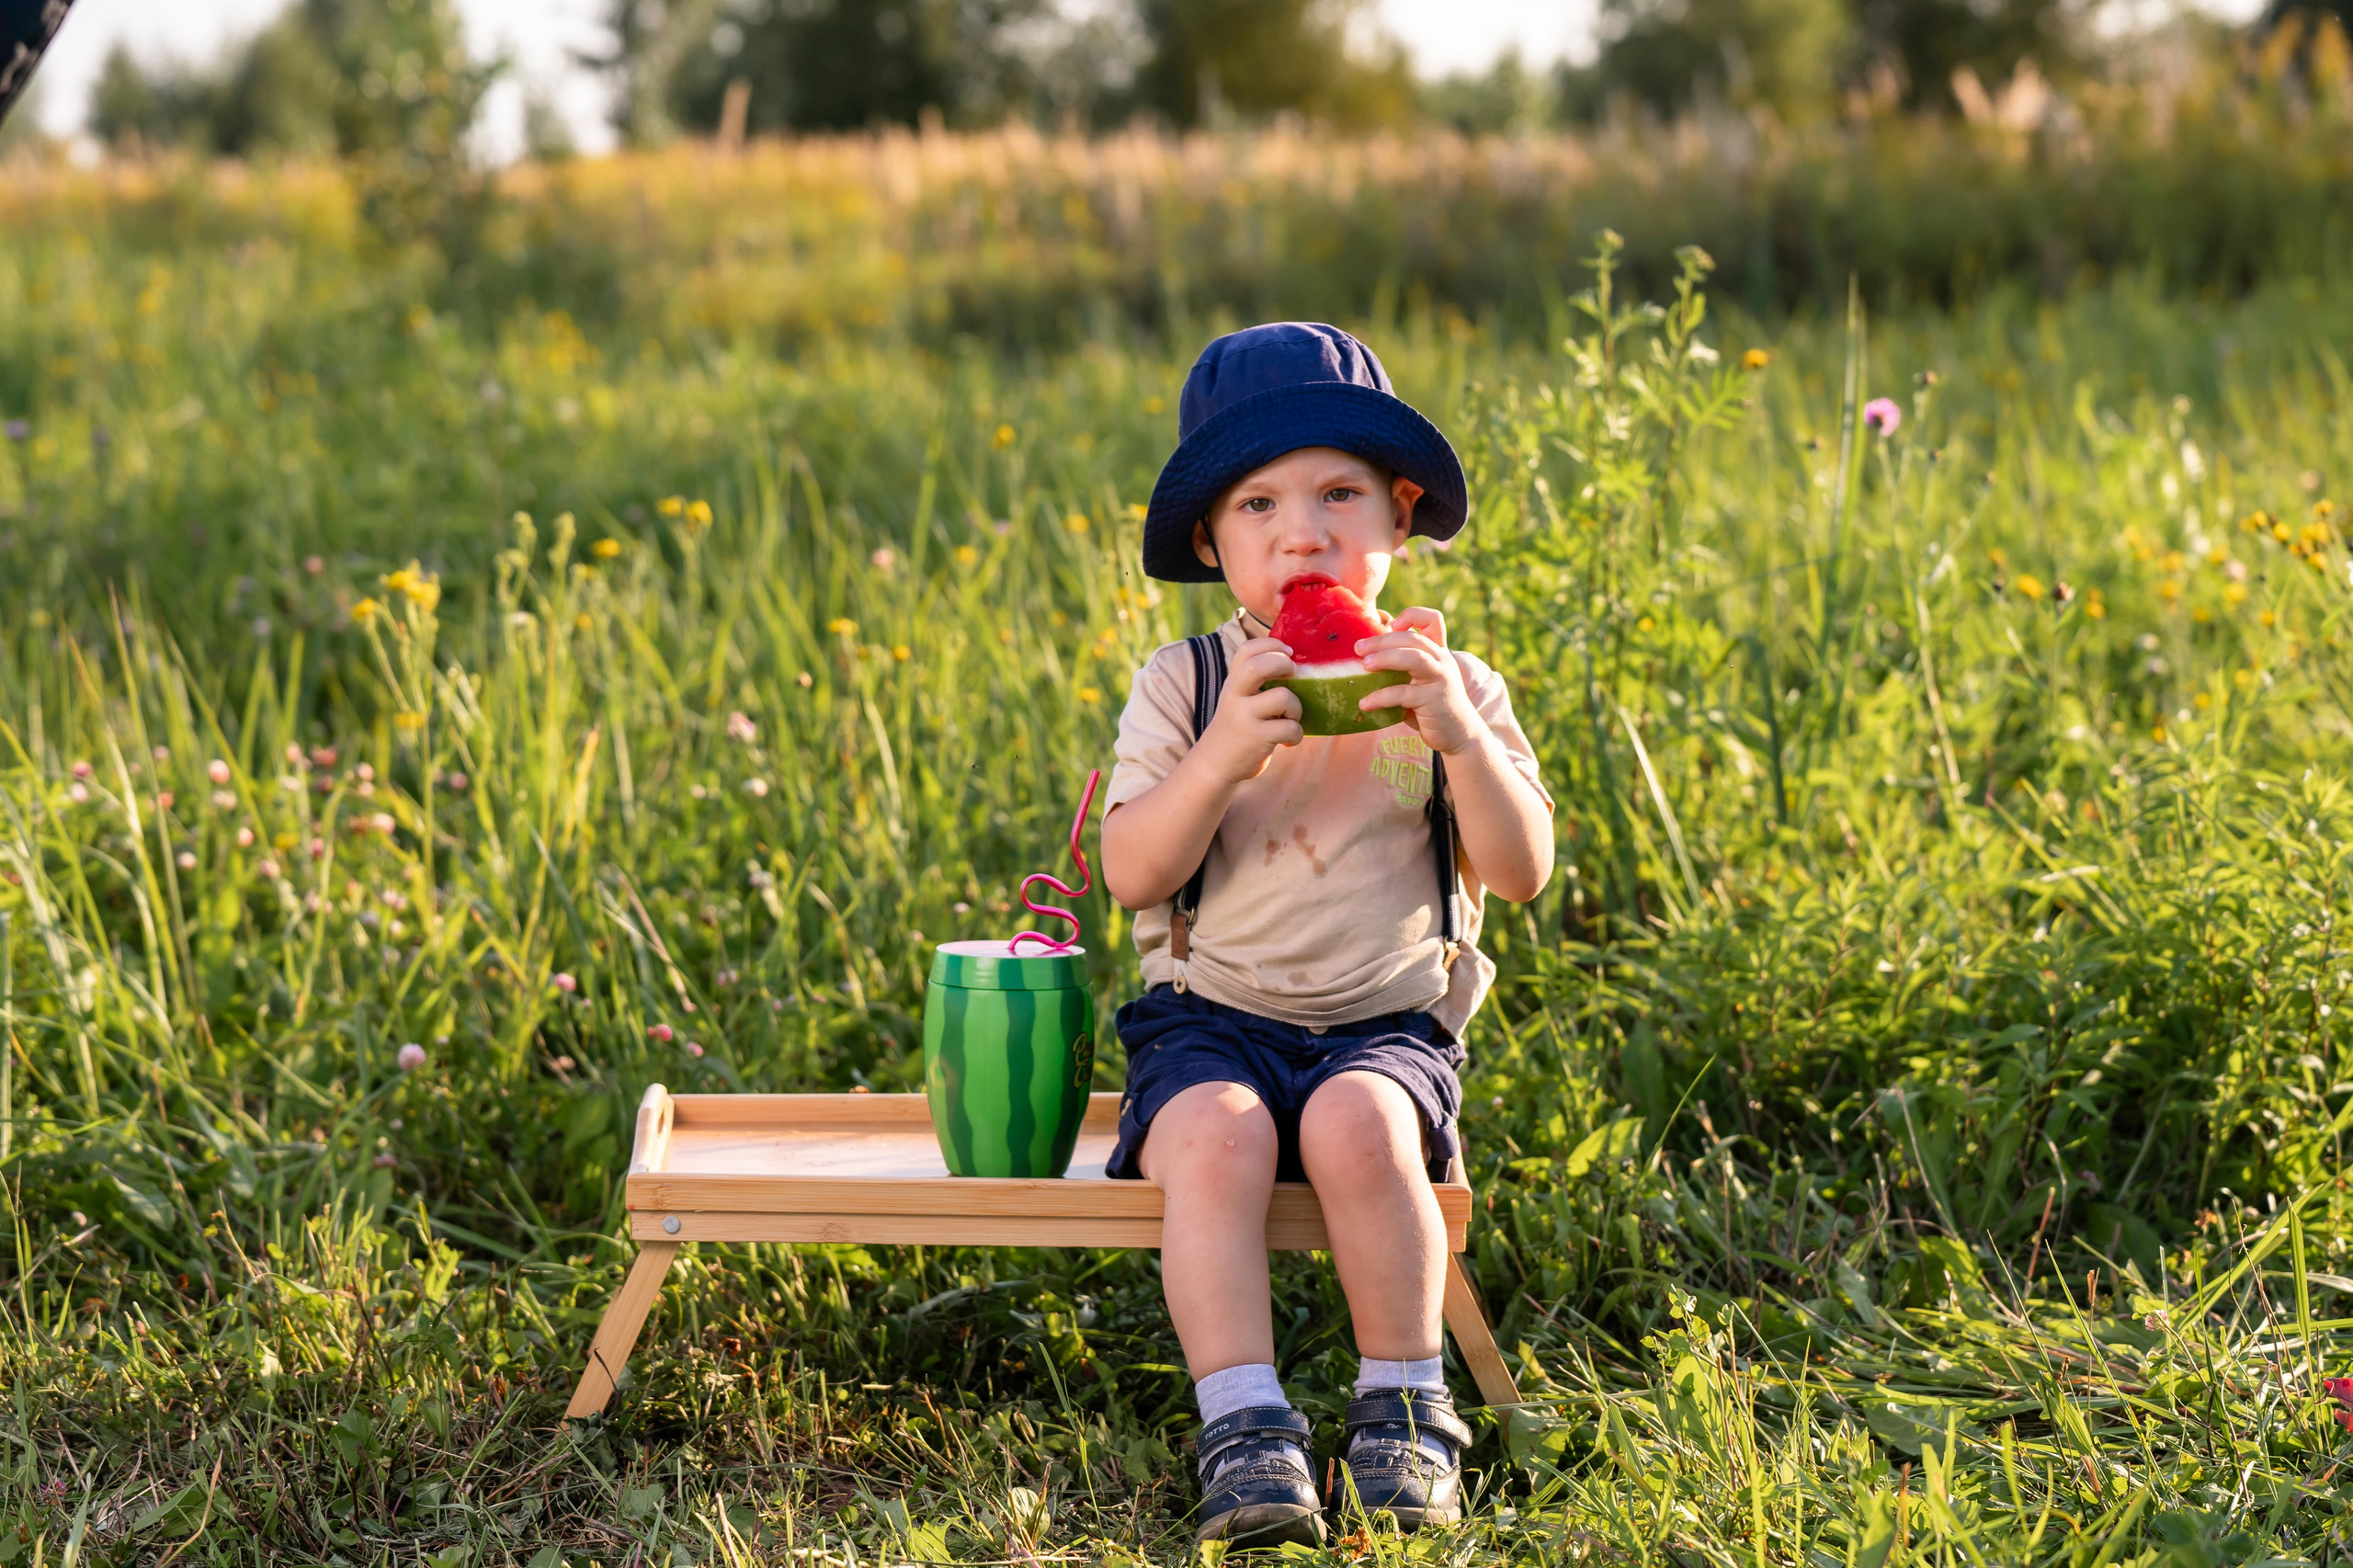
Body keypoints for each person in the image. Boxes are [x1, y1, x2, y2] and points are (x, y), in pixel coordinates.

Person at [1099, 323, 1554, 1544]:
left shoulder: (1445, 682)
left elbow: (1518, 871)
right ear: (1213, 544)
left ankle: (1405, 1403)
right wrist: (1221, 757)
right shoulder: (1188, 684)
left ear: (1400, 517)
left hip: (1385, 1024)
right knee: (1210, 1131)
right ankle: (1244, 1423)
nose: (1305, 530)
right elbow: (1132, 867)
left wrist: (1459, 734)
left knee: (1359, 1119)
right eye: (1261, 502)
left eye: (1340, 491)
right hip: (1213, 1018)